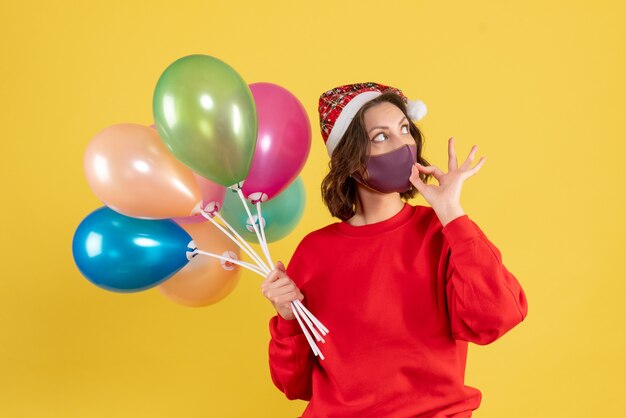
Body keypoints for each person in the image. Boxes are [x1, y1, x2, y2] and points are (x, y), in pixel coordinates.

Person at [261, 82, 528, 418]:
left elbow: (496, 318)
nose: (403, 143)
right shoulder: (314, 252)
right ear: (351, 160)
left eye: (405, 129)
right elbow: (294, 386)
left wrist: (452, 214)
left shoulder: (442, 232)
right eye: (381, 136)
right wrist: (287, 320)